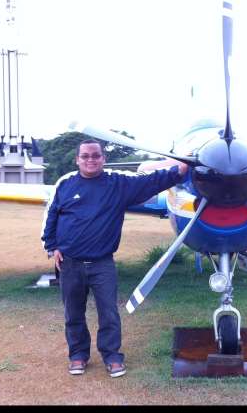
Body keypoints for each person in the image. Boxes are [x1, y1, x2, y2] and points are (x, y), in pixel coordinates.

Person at [41, 138, 188, 378]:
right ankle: (78, 356)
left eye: (96, 156)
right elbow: (52, 215)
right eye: (85, 156)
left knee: (108, 313)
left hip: (102, 264)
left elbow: (151, 181)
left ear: (103, 159)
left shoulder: (117, 184)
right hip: (70, 263)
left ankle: (112, 357)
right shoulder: (65, 184)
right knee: (73, 313)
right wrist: (51, 246)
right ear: (77, 159)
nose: (91, 160)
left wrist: (181, 170)